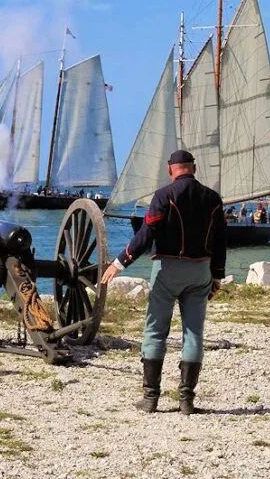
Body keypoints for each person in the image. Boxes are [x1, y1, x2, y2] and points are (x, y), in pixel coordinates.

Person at [101, 150, 226, 415]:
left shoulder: (164, 196)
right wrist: (216, 275)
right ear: (194, 168)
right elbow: (219, 241)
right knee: (194, 334)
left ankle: (150, 399)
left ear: (171, 170)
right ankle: (186, 401)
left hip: (167, 269)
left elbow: (147, 234)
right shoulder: (213, 198)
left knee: (155, 330)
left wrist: (120, 262)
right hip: (200, 271)